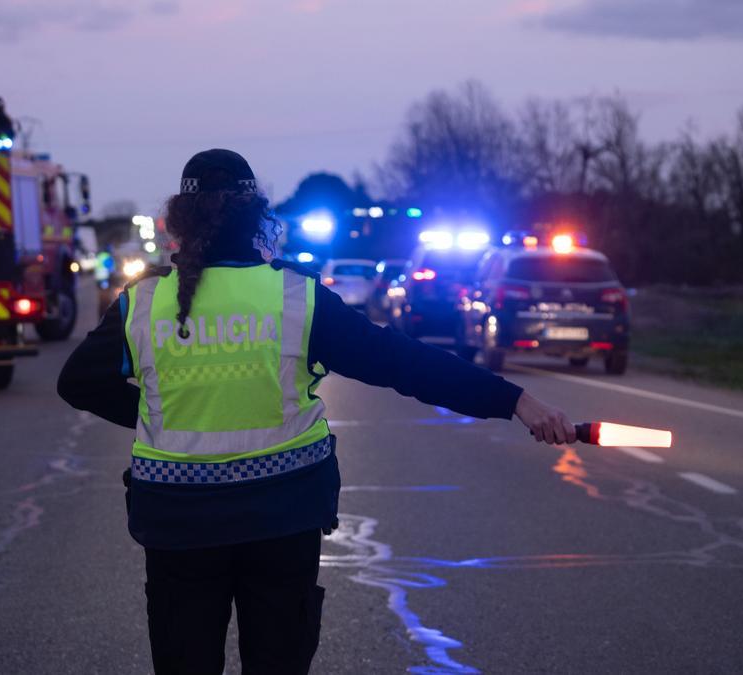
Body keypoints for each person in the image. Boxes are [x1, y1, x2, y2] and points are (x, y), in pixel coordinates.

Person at [58, 149, 576, 675]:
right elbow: (403, 362)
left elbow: (77, 382)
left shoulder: (141, 305)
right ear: (257, 217)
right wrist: (514, 400)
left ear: (179, 224)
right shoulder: (295, 297)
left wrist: (156, 414)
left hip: (178, 526)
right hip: (282, 521)